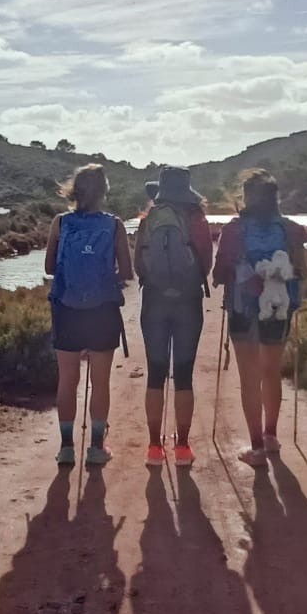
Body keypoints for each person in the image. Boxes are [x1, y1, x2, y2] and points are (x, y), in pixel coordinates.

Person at [212, 169, 307, 466]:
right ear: (275, 197)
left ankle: (256, 449)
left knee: (249, 377)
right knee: (271, 371)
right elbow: (302, 264)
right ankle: (271, 436)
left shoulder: (234, 230)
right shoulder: (289, 229)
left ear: (245, 197)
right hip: (279, 307)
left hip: (242, 308)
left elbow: (219, 274)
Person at [44, 162, 132, 466]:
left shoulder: (60, 223)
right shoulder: (114, 225)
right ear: (103, 191)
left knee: (67, 380)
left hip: (66, 309)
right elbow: (127, 272)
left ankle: (66, 447)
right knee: (100, 381)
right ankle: (96, 447)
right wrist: (104, 276)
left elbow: (49, 268)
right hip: (103, 310)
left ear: (74, 191)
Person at [131, 165, 213, 467]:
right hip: (188, 302)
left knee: (155, 373)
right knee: (184, 374)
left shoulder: (148, 219)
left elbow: (139, 265)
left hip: (154, 301)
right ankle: (182, 447)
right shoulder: (197, 220)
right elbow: (206, 265)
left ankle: (154, 447)